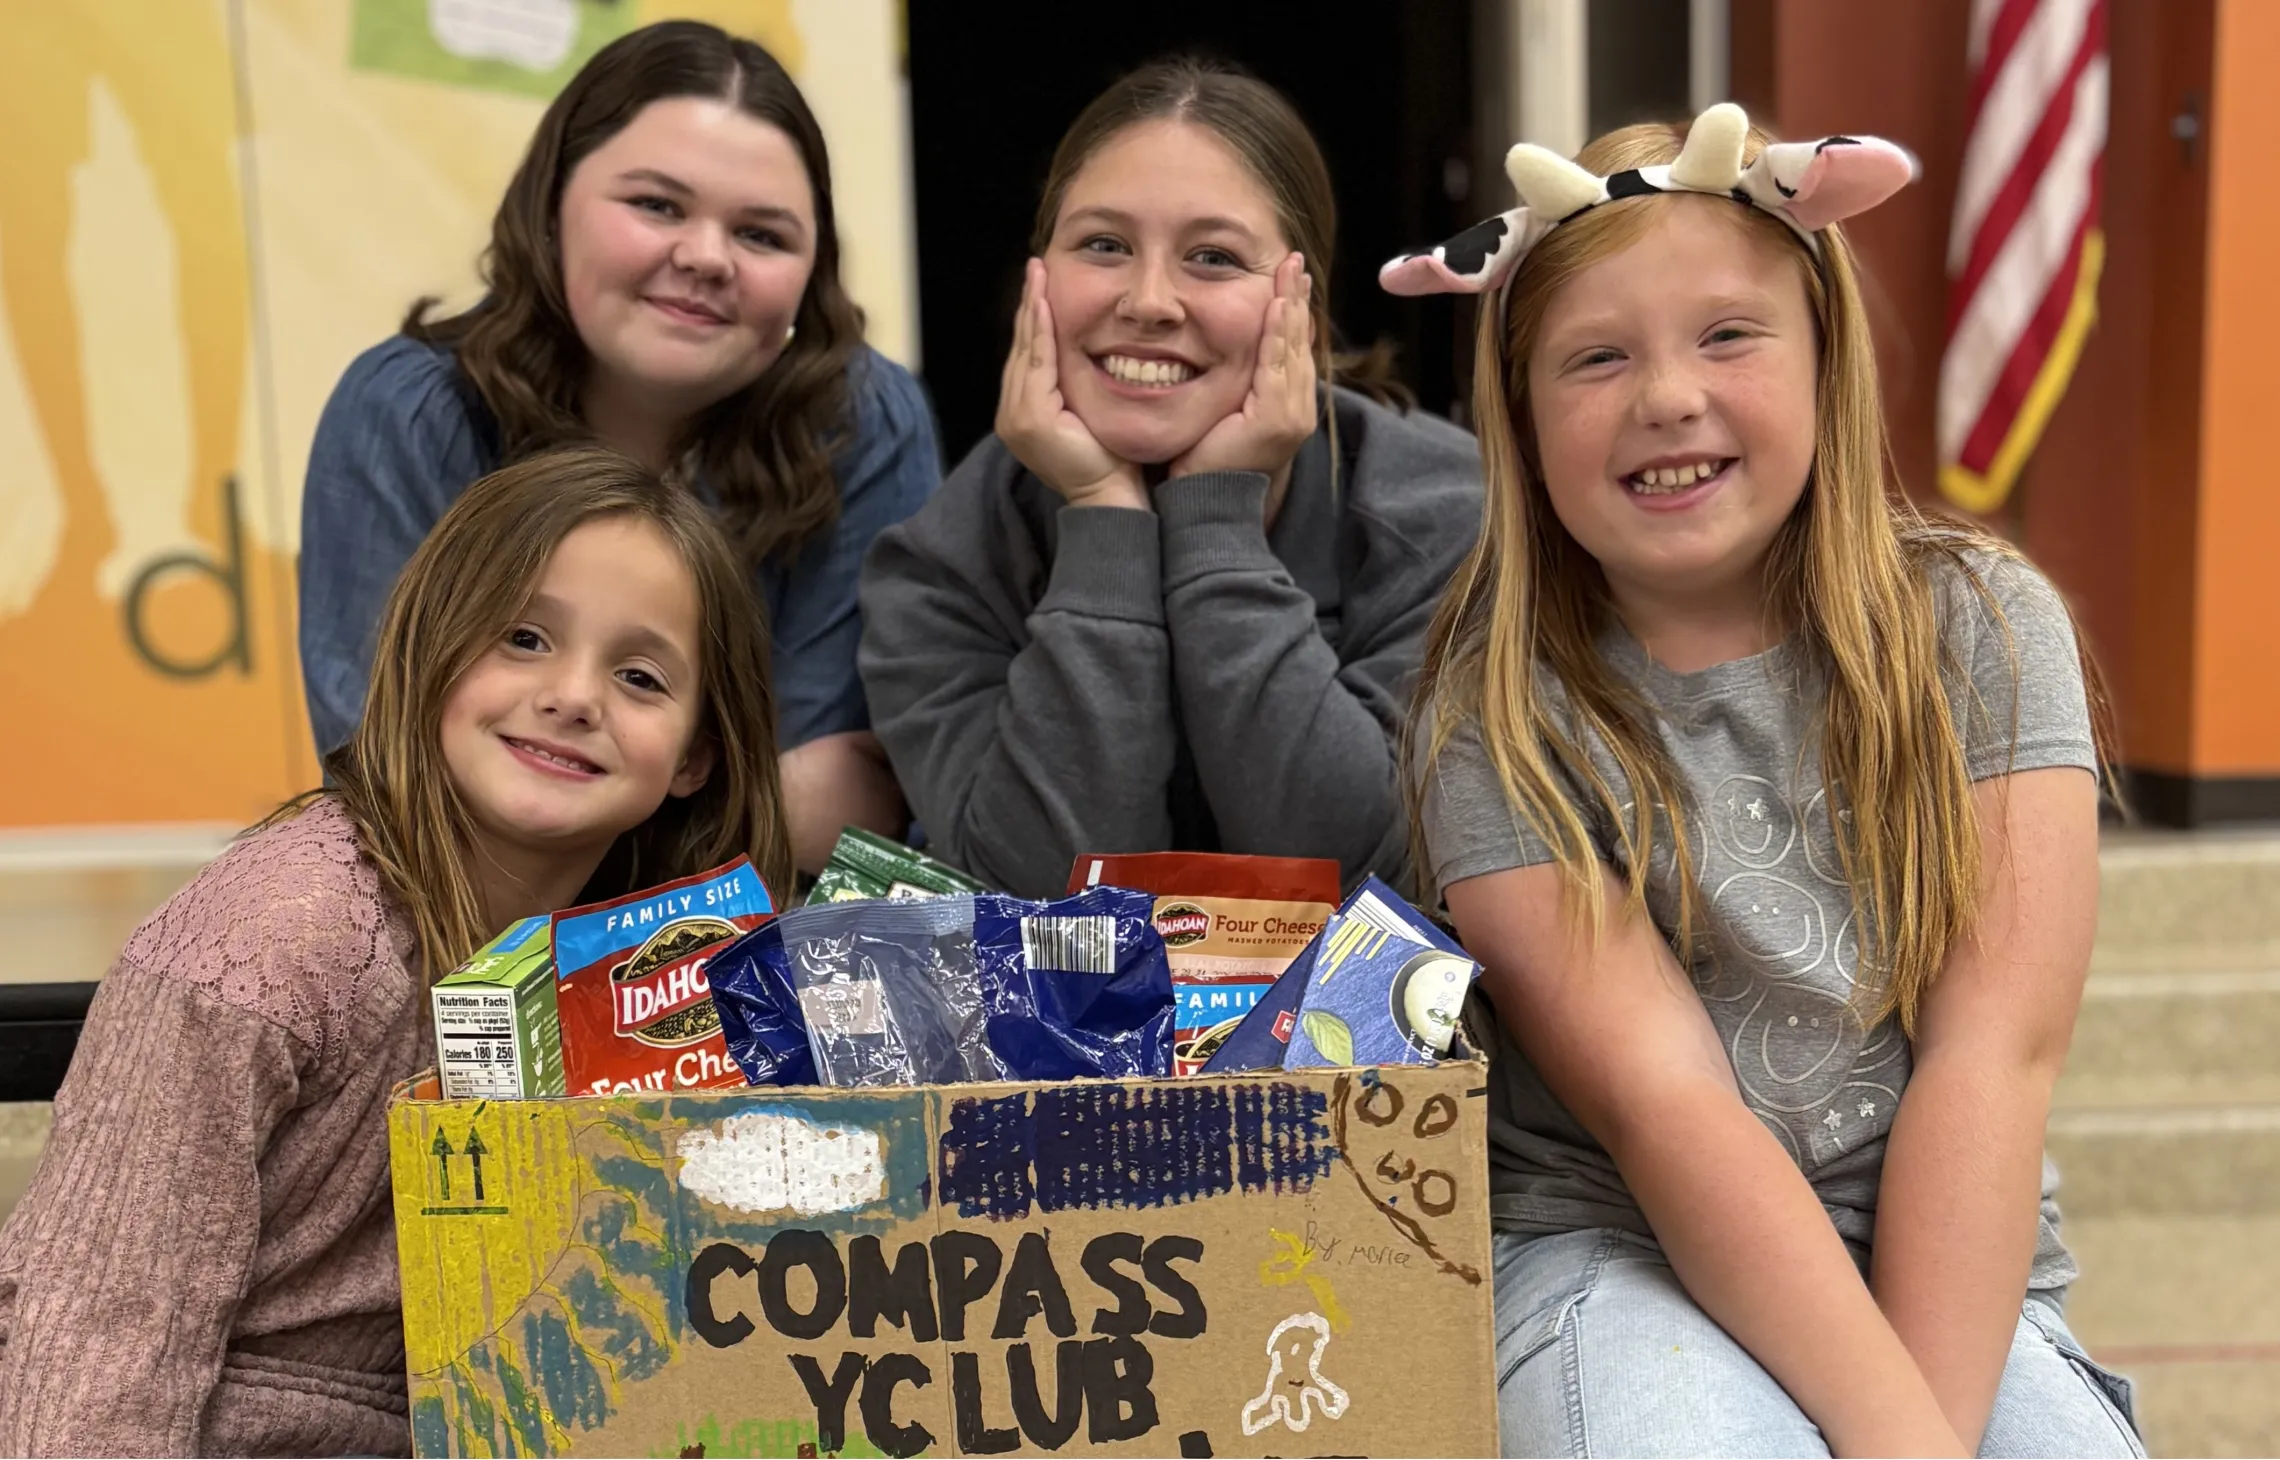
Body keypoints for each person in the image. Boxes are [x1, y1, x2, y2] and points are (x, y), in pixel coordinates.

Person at [1395, 105, 2142, 1456]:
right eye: (1595, 358)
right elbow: (1666, 1111)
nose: (1666, 396)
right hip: (1620, 1244)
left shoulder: (1982, 626)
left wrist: (1920, 1430)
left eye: (1728, 335)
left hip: (1937, 1243)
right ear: (1516, 418)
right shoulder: (1497, 714)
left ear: (1824, 360)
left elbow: (1992, 1058)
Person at [0, 448, 792, 1455]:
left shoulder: (665, 978)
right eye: (525, 635)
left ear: (696, 754)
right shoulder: (271, 937)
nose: (574, 693)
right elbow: (95, 1332)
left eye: (639, 675)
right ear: (431, 648)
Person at [300, 20, 935, 876]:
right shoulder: (409, 410)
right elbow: (390, 783)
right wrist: (729, 800)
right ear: (552, 207)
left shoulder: (864, 421)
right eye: (657, 206)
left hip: (742, 966)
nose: (707, 256)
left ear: (811, 271)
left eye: (762, 235)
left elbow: (850, 817)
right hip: (456, 944)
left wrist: (546, 796)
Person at [859, 57, 1481, 899]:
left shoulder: (1448, 517)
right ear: (1037, 280)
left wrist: (1216, 527)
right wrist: (1102, 521)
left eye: (1214, 257)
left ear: (1300, 301)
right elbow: (1049, 905)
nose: (1150, 300)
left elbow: (1361, 877)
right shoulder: (940, 567)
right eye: (1104, 245)